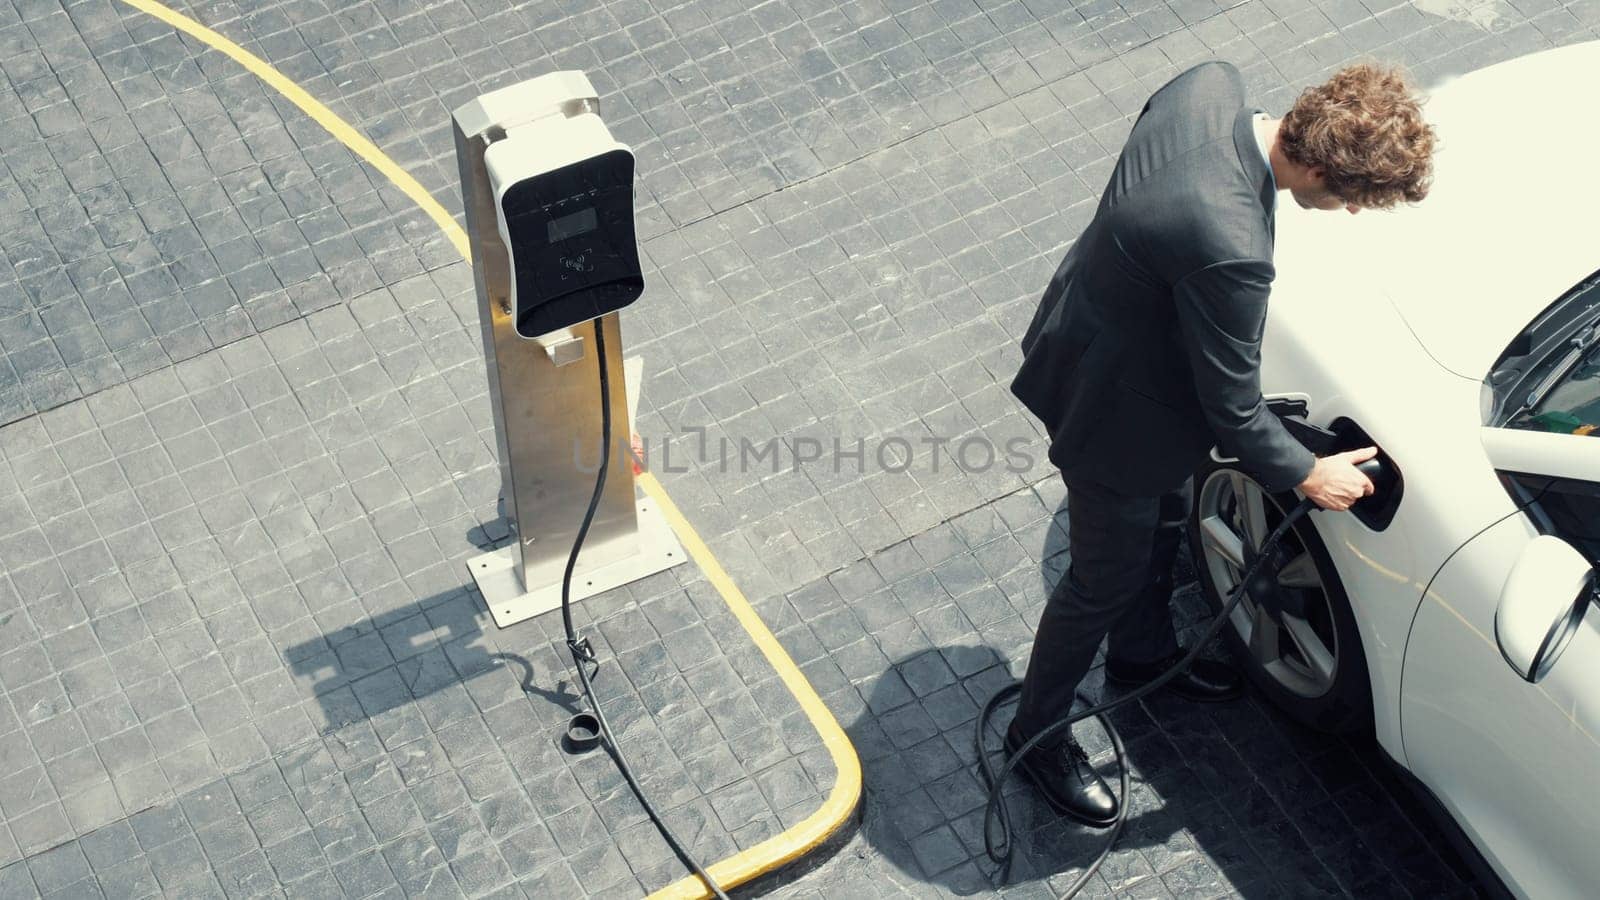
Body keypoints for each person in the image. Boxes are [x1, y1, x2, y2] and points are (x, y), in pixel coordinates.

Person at [1006, 60, 1436, 825]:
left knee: (1165, 521)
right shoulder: (1231, 241)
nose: (1347, 213)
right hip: (1111, 415)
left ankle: (1142, 656)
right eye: (1349, 198)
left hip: (1094, 335)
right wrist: (1310, 473)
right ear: (1314, 163)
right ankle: (1035, 735)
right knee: (1099, 581)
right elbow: (1235, 412)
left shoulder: (1209, 86)